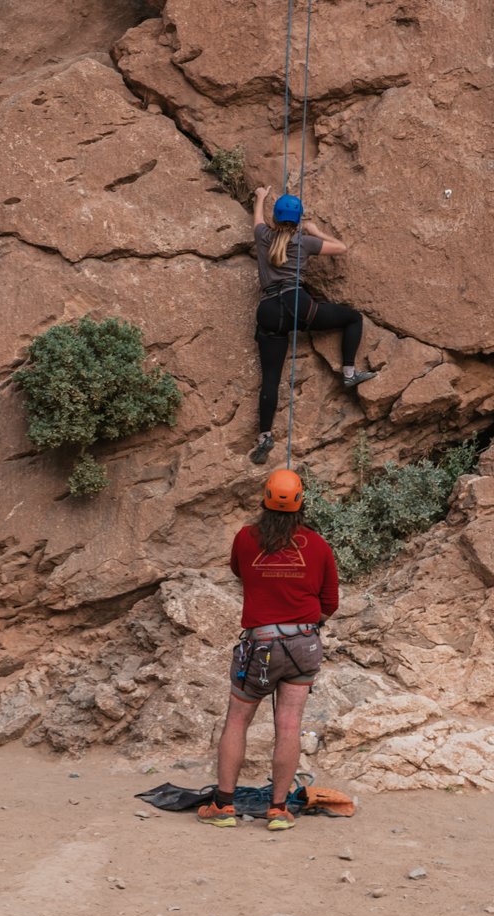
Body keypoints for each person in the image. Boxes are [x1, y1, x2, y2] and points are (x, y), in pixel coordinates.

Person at [198, 468, 339, 831]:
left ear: (264, 499)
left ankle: (224, 806)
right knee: (289, 726)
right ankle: (278, 810)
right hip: (303, 643)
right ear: (301, 504)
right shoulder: (319, 545)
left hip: (260, 646)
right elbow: (329, 603)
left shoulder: (246, 539)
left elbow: (240, 572)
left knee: (237, 719)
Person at [249, 186, 376, 465]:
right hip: (298, 304)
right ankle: (349, 372)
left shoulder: (263, 236)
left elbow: (257, 220)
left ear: (275, 217)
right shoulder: (305, 242)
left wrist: (260, 197)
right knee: (353, 317)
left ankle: (264, 437)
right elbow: (342, 248)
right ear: (298, 220)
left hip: (269, 310)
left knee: (270, 378)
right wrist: (316, 231)